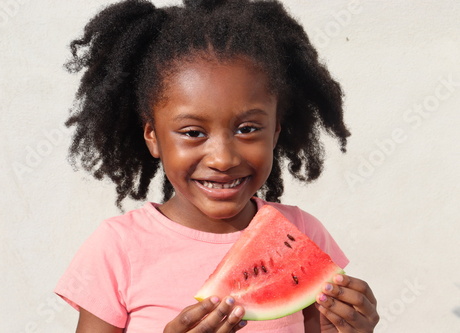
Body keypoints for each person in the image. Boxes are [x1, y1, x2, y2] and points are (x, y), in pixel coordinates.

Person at [54, 0, 379, 331]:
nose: (223, 159)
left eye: (247, 129)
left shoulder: (303, 233)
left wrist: (352, 327)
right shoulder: (116, 247)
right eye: (193, 133)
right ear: (152, 136)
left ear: (276, 131)